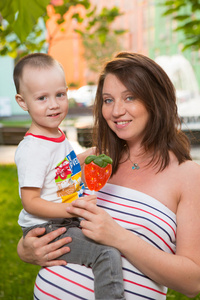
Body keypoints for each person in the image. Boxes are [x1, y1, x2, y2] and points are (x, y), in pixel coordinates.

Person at [17, 52, 200, 300]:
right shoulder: (89, 161)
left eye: (130, 97)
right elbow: (39, 211)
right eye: (108, 100)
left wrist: (118, 237)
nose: (116, 111)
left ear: (155, 101)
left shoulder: (188, 175)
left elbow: (193, 282)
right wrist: (26, 249)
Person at [14, 53, 125, 300]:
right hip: (48, 226)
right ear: (23, 102)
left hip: (63, 217)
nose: (53, 104)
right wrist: (72, 210)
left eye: (59, 95)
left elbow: (62, 168)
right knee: (106, 253)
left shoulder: (55, 133)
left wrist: (88, 155)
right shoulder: (33, 149)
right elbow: (30, 202)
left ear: (67, 92)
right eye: (42, 98)